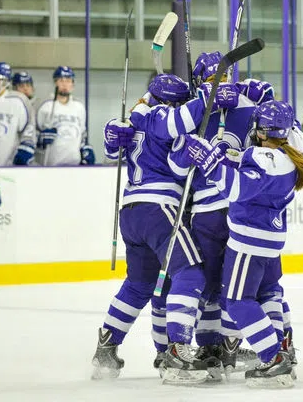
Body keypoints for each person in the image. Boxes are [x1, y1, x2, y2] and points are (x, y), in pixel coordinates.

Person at [175, 100, 303, 388]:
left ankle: (274, 358)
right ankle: (282, 351)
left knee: (236, 301)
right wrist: (223, 155)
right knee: (267, 294)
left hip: (249, 241)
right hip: (268, 241)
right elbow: (249, 163)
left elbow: (236, 188)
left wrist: (209, 163)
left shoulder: (265, 158)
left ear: (260, 131)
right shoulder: (290, 148)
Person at [91, 74, 213, 382]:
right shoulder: (160, 117)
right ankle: (176, 352)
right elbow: (183, 119)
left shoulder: (136, 121)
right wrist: (209, 94)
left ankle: (107, 346)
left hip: (131, 211)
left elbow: (110, 153)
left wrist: (110, 134)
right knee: (191, 271)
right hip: (159, 209)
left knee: (139, 285)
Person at [34, 66, 93, 167]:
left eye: (68, 80)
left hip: (75, 164)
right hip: (50, 165)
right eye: (61, 80)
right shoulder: (45, 106)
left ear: (72, 84)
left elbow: (82, 134)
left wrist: (85, 149)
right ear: (55, 82)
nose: (65, 84)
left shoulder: (79, 107)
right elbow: (33, 133)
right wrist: (40, 138)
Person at [0, 62, 36, 166]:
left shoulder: (18, 100)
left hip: (9, 164)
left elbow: (29, 128)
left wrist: (26, 148)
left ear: (5, 80)